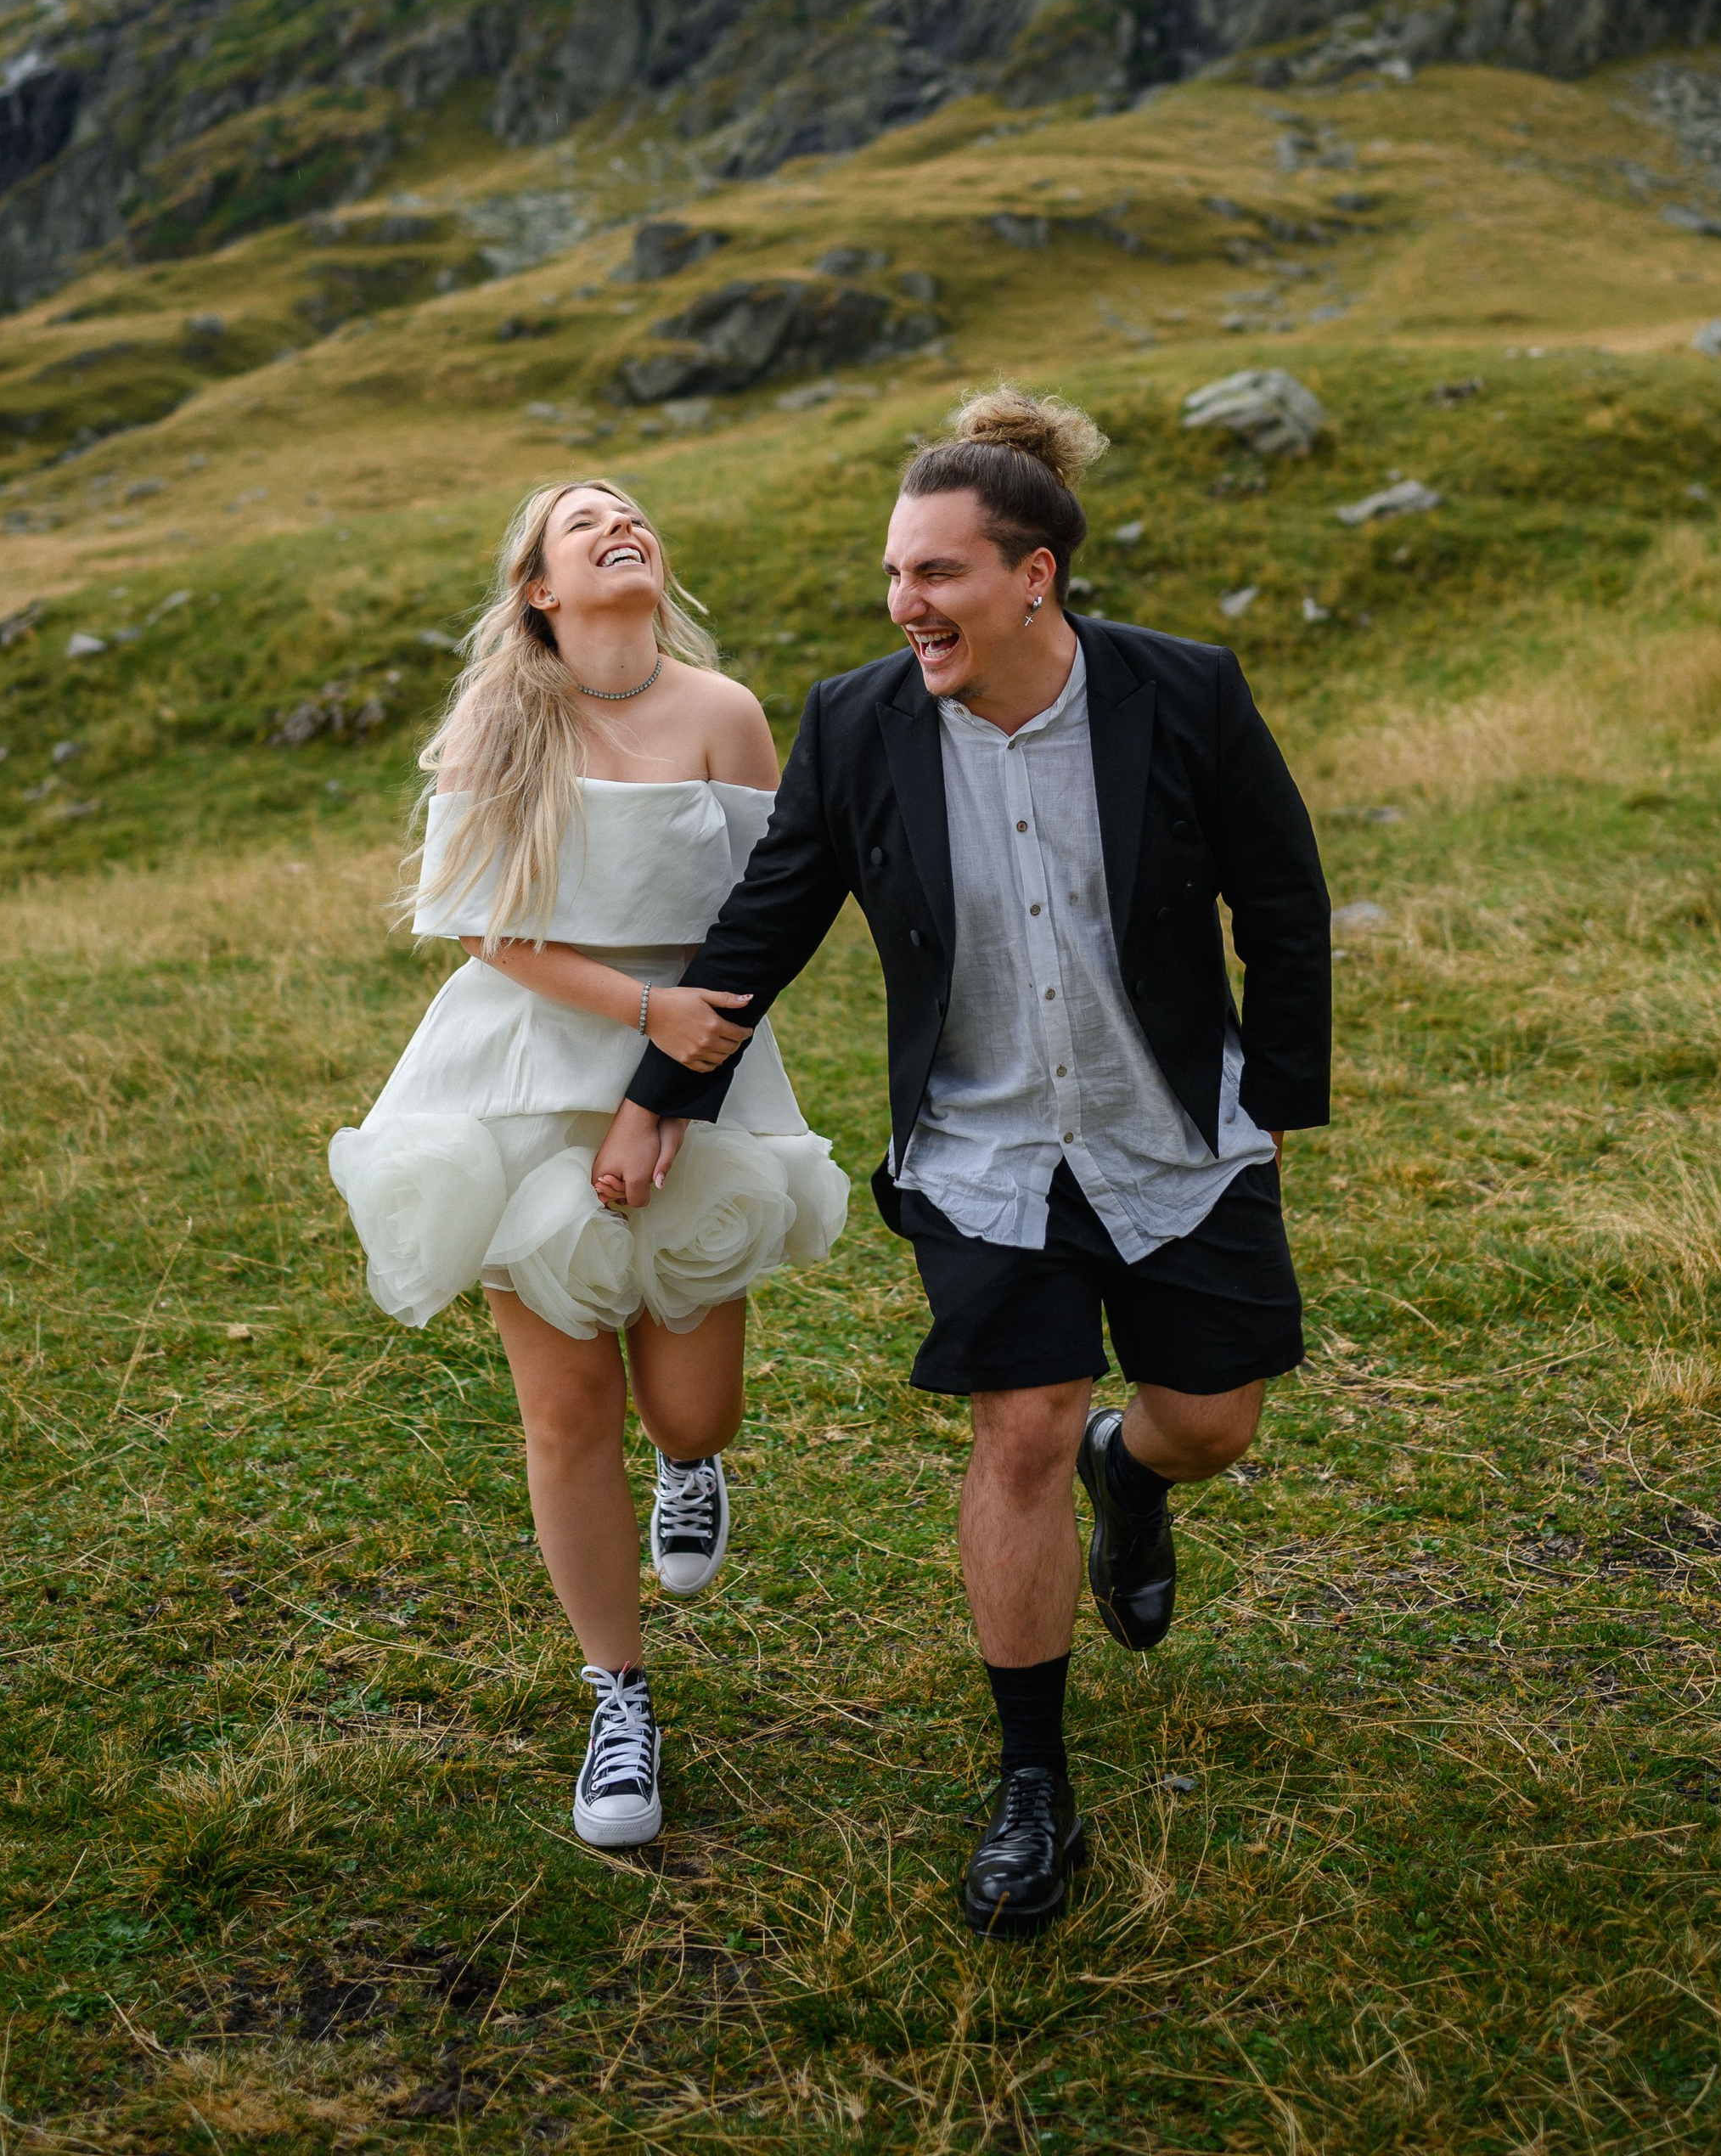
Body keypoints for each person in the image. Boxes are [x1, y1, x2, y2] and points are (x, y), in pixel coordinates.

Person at [594, 386, 1330, 1937]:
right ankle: (1032, 1785)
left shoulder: (1182, 694)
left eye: (936, 572)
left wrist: (1276, 1087)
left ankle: (1139, 1469)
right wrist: (661, 1094)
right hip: (982, 1150)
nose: (904, 603)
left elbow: (1280, 896)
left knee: (1212, 1421)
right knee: (1023, 1428)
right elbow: (769, 922)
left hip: (1173, 1134)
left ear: (1031, 577)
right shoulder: (861, 722)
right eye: (893, 574)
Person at [329, 478, 848, 1849]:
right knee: (566, 1412)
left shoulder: (724, 713)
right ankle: (618, 1697)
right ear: (541, 589)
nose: (621, 524)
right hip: (520, 1068)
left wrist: (670, 1086)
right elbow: (478, 922)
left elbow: (769, 913)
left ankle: (692, 1466)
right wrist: (640, 1013)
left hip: (700, 1063)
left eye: (632, 512)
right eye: (583, 521)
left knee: (693, 1410)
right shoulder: (499, 717)